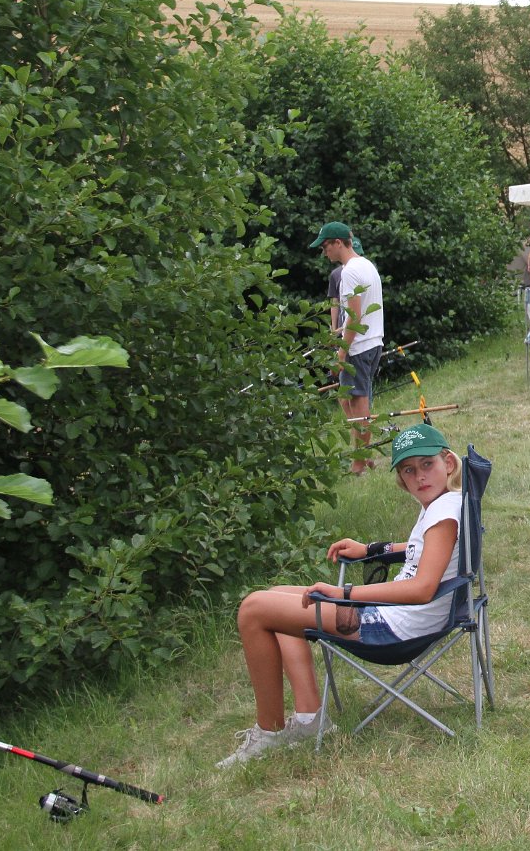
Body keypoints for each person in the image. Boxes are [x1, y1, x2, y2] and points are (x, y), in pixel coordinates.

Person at [216, 423, 464, 768]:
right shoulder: (449, 502)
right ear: (401, 478)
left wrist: (344, 594)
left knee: (253, 609)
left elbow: (422, 589)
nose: (419, 476)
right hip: (405, 619)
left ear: (448, 463)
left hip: (395, 629)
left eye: (427, 464)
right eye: (409, 470)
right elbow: (422, 549)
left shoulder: (442, 512)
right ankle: (309, 719)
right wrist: (371, 549)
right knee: (277, 596)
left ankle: (269, 733)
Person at [312, 221, 384, 473]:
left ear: (338, 243)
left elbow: (354, 317)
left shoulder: (350, 272)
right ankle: (364, 454)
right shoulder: (366, 265)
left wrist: (341, 353)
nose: (324, 252)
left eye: (325, 247)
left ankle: (358, 464)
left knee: (358, 403)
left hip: (358, 347)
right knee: (348, 400)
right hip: (372, 342)